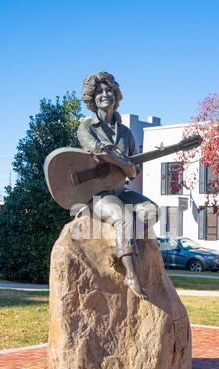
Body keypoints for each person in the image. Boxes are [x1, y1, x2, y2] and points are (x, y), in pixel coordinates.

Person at [77, 72, 159, 300]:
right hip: (98, 194)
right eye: (99, 92)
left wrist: (128, 167)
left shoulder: (126, 133)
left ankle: (119, 249)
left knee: (151, 211)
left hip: (120, 189)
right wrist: (124, 163)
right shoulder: (87, 127)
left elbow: (134, 169)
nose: (105, 95)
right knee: (123, 217)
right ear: (92, 99)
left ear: (116, 95)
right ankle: (131, 275)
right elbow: (97, 150)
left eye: (109, 91)